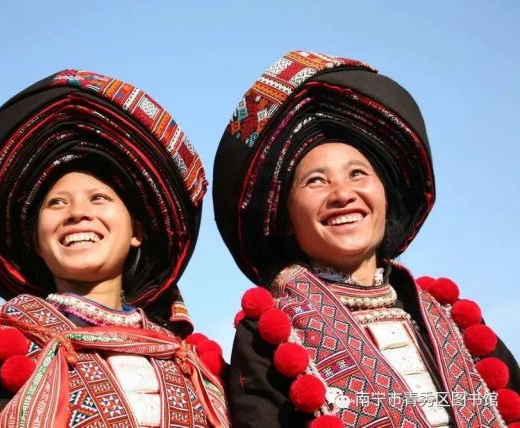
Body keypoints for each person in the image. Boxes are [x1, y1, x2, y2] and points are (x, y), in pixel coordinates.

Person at [0, 70, 229, 427]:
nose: (77, 214)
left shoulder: (190, 364)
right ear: (37, 244)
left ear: (136, 232)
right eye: (56, 204)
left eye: (98, 198)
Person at [212, 51, 520, 427]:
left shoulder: (451, 318)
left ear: (384, 198)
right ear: (288, 219)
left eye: (357, 174)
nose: (342, 194)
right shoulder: (269, 332)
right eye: (316, 181)